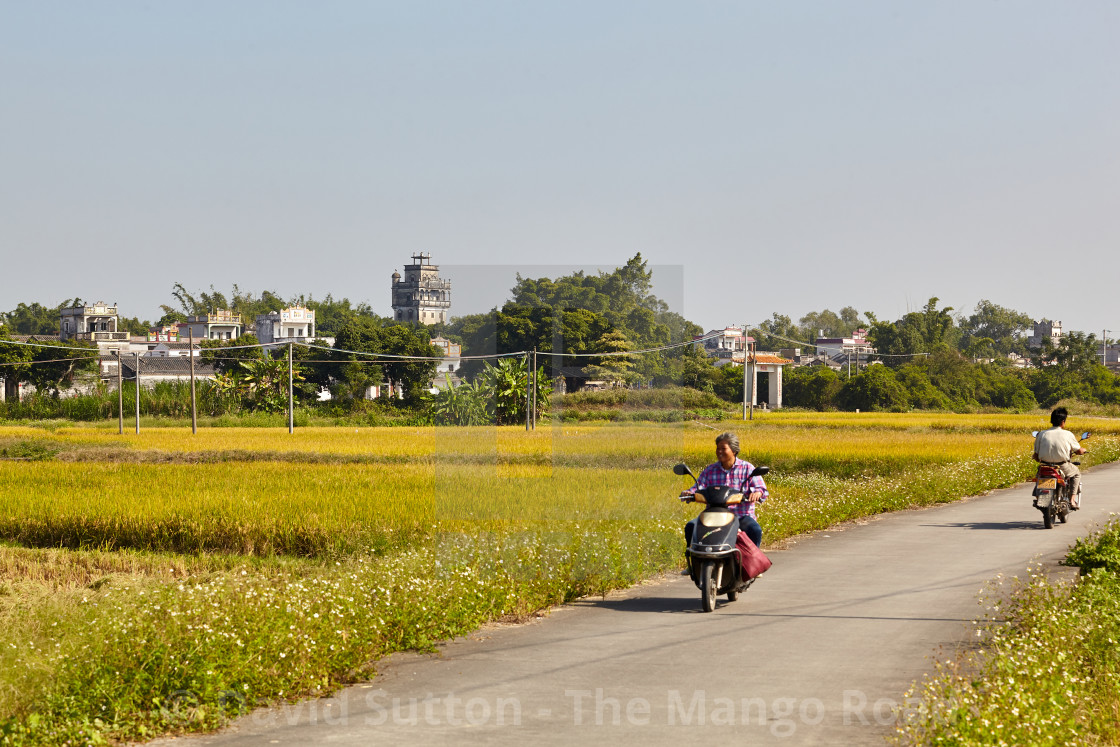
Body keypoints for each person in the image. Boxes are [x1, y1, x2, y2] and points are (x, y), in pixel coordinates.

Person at [681, 431, 768, 547]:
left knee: (755, 530)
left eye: (723, 448)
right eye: (718, 448)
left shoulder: (747, 468)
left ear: (734, 450)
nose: (719, 452)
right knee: (691, 527)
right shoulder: (710, 470)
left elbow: (761, 488)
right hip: (714, 517)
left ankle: (753, 561)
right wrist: (689, 493)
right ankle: (694, 561)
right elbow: (698, 486)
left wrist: (758, 493)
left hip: (741, 516)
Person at [1033, 406, 1087, 509]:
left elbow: (1035, 455)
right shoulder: (1067, 434)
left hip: (1045, 466)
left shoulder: (1041, 434)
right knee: (1076, 474)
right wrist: (1083, 450)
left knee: (1039, 477)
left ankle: (1038, 496)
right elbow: (1078, 450)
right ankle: (1072, 500)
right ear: (1063, 421)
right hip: (1062, 466)